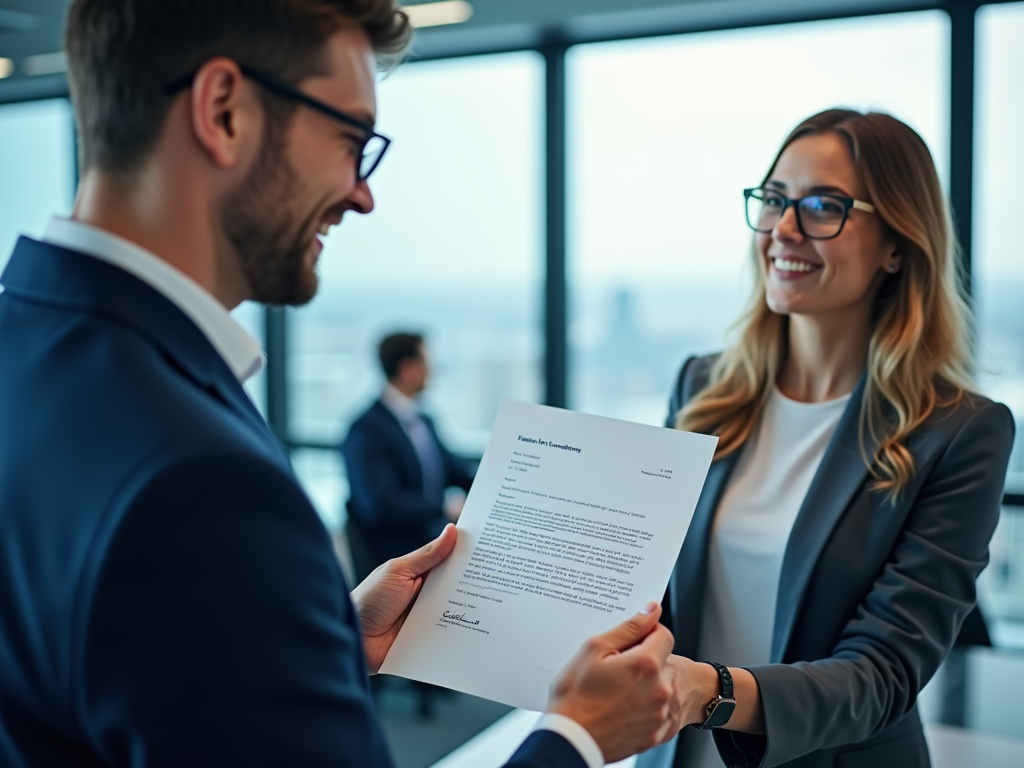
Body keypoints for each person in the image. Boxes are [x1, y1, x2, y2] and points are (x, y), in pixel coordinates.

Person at [0, 1, 695, 766]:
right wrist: (580, 735)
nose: (363, 194)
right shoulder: (203, 482)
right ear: (224, 111)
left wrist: (316, 640)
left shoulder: (28, 349)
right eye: (351, 140)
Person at [638, 109, 1016, 768]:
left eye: (822, 206)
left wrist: (709, 693)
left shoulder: (959, 432)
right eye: (776, 200)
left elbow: (883, 673)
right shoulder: (701, 389)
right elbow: (653, 593)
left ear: (898, 243)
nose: (784, 229)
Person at [342, 332, 474, 568]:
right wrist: (444, 507)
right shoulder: (367, 429)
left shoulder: (422, 420)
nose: (432, 371)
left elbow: (455, 469)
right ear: (408, 369)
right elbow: (380, 503)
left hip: (431, 542)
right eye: (427, 363)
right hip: (396, 556)